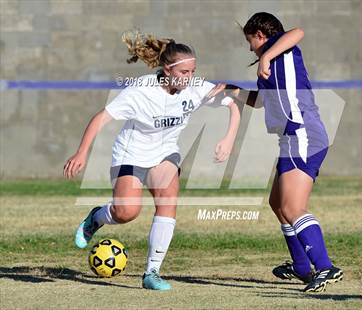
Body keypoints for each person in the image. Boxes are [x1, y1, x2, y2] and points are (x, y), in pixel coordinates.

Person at [63, 29, 240, 291]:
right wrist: (81, 152)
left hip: (165, 154)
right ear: (167, 70)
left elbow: (232, 104)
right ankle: (97, 218)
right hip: (131, 154)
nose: (190, 78)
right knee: (126, 213)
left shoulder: (195, 88)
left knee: (168, 203)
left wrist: (229, 139)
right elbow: (101, 117)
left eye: (193, 71)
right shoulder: (141, 92)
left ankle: (152, 272)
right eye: (184, 72)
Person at [238, 12, 343, 292]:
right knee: (278, 203)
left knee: (293, 208)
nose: (250, 47)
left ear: (260, 35)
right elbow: (261, 102)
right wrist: (230, 92)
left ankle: (325, 267)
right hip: (290, 138)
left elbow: (297, 31)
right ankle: (300, 267)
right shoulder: (272, 62)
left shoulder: (283, 50)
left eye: (250, 41)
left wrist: (265, 56)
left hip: (303, 134)